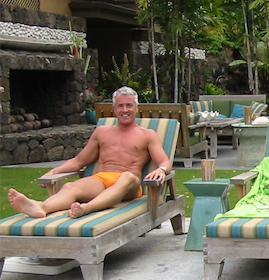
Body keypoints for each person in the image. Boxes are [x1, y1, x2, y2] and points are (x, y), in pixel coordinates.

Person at [8, 86, 171, 219]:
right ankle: (41, 207)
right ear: (114, 109)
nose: (125, 110)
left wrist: (161, 170)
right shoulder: (102, 132)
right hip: (101, 179)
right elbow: (79, 161)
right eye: (120, 106)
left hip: (129, 183)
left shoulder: (147, 135)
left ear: (136, 108)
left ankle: (87, 208)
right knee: (70, 187)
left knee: (127, 177)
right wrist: (54, 171)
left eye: (129, 105)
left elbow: (165, 162)